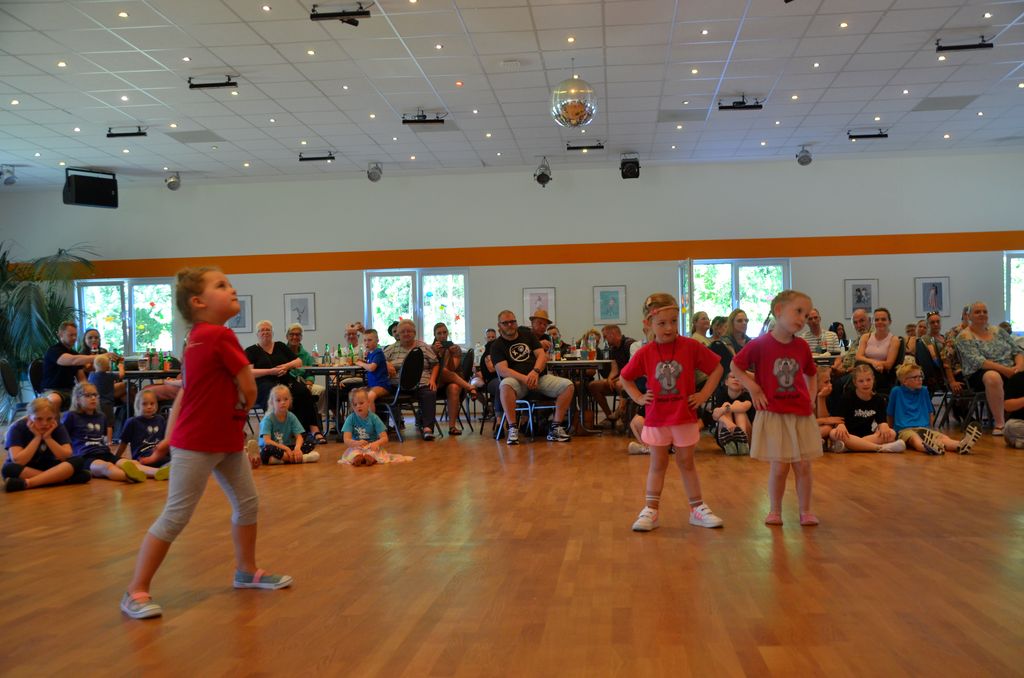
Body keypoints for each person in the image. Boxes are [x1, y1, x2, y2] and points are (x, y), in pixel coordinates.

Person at [121, 266, 291, 621]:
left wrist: (169, 437)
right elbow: (248, 385)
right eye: (221, 285)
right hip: (200, 444)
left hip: (220, 441)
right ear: (199, 302)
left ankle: (246, 571)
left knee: (246, 503)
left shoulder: (194, 339)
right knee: (177, 515)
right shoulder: (220, 336)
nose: (231, 289)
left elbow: (186, 393)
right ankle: (135, 590)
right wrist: (242, 406)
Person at [620, 293, 723, 532]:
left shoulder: (691, 346)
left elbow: (717, 369)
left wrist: (703, 395)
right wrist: (638, 397)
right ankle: (651, 510)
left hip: (684, 417)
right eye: (662, 323)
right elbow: (625, 377)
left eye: (674, 321)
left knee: (687, 463)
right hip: (657, 419)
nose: (669, 328)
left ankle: (697, 509)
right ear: (648, 324)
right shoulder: (644, 352)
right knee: (658, 464)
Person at [731, 290, 821, 527]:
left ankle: (806, 511)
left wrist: (811, 397)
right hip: (774, 413)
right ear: (779, 311)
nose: (802, 319)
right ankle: (775, 510)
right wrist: (753, 388)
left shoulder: (801, 346)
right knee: (779, 467)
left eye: (806, 314)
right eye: (798, 311)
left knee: (803, 466)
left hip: (800, 414)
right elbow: (736, 366)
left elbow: (811, 373)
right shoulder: (760, 344)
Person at [492, 310, 574, 445]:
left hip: (539, 378)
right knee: (505, 385)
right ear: (499, 325)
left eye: (512, 321)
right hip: (517, 381)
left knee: (568, 385)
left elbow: (541, 355)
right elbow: (502, 370)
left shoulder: (528, 335)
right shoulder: (497, 345)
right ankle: (513, 428)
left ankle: (555, 427)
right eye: (505, 323)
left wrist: (535, 372)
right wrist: (525, 378)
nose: (510, 325)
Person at [245, 320, 325, 443]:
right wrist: (270, 371)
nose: (265, 332)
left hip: (285, 380)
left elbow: (298, 361)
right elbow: (249, 372)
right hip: (264, 383)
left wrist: (286, 367)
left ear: (272, 333)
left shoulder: (280, 346)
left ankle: (313, 430)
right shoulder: (251, 350)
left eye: (268, 330)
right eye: (262, 330)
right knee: (273, 395)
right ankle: (275, 434)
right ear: (257, 334)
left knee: (303, 391)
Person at [955, 301, 1024, 436]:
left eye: (984, 311)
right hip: (980, 373)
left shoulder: (999, 331)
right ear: (969, 316)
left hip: (1011, 369)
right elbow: (978, 361)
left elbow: (1017, 350)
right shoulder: (964, 337)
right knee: (993, 376)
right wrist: (1006, 370)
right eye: (977, 312)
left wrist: (1019, 366)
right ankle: (1000, 424)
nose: (982, 314)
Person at [62, 382, 149, 483]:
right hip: (84, 457)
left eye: (95, 395)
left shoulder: (101, 416)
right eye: (88, 395)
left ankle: (157, 472)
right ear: (77, 399)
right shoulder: (71, 416)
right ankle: (131, 476)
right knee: (106, 467)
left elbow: (102, 438)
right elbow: (63, 439)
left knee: (131, 463)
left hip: (104, 453)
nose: (93, 398)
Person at [888, 362, 981, 455]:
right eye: (915, 377)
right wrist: (892, 431)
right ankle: (928, 448)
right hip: (905, 429)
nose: (919, 379)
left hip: (924, 428)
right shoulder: (896, 392)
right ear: (904, 381)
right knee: (914, 439)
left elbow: (930, 412)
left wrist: (931, 429)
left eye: (920, 376)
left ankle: (960, 445)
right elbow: (890, 414)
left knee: (942, 437)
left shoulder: (924, 391)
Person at [3, 397, 91, 492]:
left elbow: (66, 456)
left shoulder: (57, 426)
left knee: (78, 460)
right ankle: (59, 479)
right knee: (8, 469)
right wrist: (37, 438)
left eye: (49, 419)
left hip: (47, 465)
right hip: (27, 468)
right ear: (29, 418)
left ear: (54, 417)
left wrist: (48, 438)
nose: (44, 423)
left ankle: (28, 483)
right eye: (38, 419)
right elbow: (19, 461)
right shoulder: (17, 428)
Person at [825, 365, 904, 453]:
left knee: (891, 433)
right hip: (848, 435)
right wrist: (840, 425)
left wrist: (883, 425)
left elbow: (882, 421)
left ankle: (851, 447)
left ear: (873, 379)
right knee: (833, 433)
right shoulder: (846, 398)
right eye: (861, 381)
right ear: (855, 383)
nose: (865, 384)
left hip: (867, 436)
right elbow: (838, 420)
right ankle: (880, 448)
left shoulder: (879, 399)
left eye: (868, 380)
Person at [383, 319, 440, 441]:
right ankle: (382, 428)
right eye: (402, 332)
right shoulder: (391, 349)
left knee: (429, 393)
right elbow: (379, 361)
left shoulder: (423, 346)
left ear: (414, 333)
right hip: (397, 386)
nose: (406, 334)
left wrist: (432, 380)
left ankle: (427, 429)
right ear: (398, 334)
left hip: (421, 383)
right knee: (379, 391)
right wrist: (386, 364)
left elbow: (435, 363)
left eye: (409, 331)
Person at [41, 321, 108, 411]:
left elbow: (81, 379)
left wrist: (90, 391)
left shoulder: (74, 353)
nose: (74, 338)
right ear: (61, 335)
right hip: (52, 389)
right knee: (55, 399)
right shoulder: (53, 351)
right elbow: (73, 360)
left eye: (75, 335)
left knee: (92, 399)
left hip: (70, 390)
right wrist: (100, 356)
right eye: (71, 335)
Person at [339, 388, 414, 465]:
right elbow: (346, 439)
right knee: (354, 454)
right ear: (352, 406)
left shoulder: (374, 418)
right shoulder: (350, 419)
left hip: (372, 446)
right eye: (355, 404)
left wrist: (376, 443)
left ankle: (369, 458)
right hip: (357, 447)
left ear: (368, 403)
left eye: (361, 403)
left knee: (373, 453)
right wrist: (355, 443)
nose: (358, 406)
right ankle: (359, 458)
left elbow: (384, 438)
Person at [284, 323, 328, 443]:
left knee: (321, 390)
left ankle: (319, 419)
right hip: (289, 383)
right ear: (287, 336)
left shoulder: (306, 355)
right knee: (302, 393)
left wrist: (309, 383)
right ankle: (309, 429)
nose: (295, 337)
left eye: (298, 334)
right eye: (292, 334)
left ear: (301, 337)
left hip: (304, 383)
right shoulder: (282, 351)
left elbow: (310, 372)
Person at [432, 322, 478, 435]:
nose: (442, 336)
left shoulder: (455, 348)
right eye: (439, 333)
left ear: (448, 333)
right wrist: (436, 353)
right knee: (442, 371)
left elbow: (452, 369)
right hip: (436, 381)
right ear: (435, 335)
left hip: (453, 379)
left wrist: (451, 354)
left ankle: (452, 427)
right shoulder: (431, 349)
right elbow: (431, 368)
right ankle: (470, 387)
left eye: (444, 332)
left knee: (453, 387)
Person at [257, 384, 320, 465]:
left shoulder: (291, 416)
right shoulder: (268, 419)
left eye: (286, 399)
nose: (283, 402)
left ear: (290, 400)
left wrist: (297, 449)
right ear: (272, 403)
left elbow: (299, 437)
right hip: (275, 447)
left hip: (289, 447)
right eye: (278, 400)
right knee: (267, 450)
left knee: (310, 442)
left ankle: (282, 459)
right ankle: (300, 458)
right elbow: (267, 441)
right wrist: (286, 448)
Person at [589, 324, 635, 427]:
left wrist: (618, 378)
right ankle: (610, 418)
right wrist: (610, 378)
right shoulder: (613, 348)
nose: (604, 340)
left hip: (631, 379)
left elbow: (633, 368)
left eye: (605, 336)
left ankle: (621, 415)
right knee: (593, 386)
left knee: (619, 384)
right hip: (619, 379)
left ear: (612, 334)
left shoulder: (629, 344)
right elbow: (615, 368)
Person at [116, 390, 171, 469]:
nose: (149, 407)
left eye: (152, 403)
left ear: (156, 404)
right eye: (144, 404)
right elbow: (123, 443)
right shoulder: (132, 422)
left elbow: (165, 439)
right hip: (142, 455)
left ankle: (167, 466)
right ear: (138, 405)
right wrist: (116, 458)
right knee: (162, 459)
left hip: (158, 452)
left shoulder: (160, 419)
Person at [855, 307, 901, 392]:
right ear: (873, 322)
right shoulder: (865, 337)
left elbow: (889, 364)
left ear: (889, 322)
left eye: (883, 319)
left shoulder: (894, 340)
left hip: (881, 374)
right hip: (863, 371)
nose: (880, 322)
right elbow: (858, 357)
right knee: (840, 382)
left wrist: (871, 363)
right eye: (877, 320)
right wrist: (874, 363)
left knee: (859, 367)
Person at [711, 372, 752, 456]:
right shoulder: (721, 394)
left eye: (739, 378)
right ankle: (730, 441)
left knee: (737, 405)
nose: (736, 379)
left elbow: (745, 406)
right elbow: (715, 415)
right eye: (733, 377)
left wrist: (724, 409)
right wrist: (728, 423)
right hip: (726, 432)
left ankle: (742, 440)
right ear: (726, 382)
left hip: (748, 436)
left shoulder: (747, 396)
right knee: (726, 404)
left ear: (744, 385)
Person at [88, 353, 123, 440]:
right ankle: (109, 441)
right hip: (107, 403)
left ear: (94, 366)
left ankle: (95, 438)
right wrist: (121, 367)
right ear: (108, 367)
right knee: (109, 424)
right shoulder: (110, 376)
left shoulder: (91, 375)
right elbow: (121, 375)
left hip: (95, 403)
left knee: (95, 421)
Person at [356, 329, 391, 410]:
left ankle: (371, 418)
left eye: (369, 340)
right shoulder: (370, 353)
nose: (366, 343)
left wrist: (361, 364)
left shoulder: (378, 352)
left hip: (382, 385)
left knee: (369, 397)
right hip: (372, 385)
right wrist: (363, 361)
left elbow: (372, 368)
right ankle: (359, 416)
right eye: (365, 340)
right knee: (355, 394)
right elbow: (369, 364)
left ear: (377, 341)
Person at [710, 308, 751, 373]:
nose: (744, 323)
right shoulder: (724, 342)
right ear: (732, 323)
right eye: (739, 321)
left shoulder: (750, 341)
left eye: (746, 321)